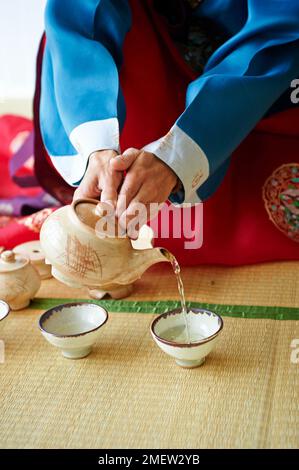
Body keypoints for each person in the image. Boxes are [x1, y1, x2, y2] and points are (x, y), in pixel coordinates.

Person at [34, 0, 299, 265]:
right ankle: (110, 179)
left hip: (256, 70)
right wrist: (98, 147)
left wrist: (177, 156)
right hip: (145, 49)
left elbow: (280, 28)